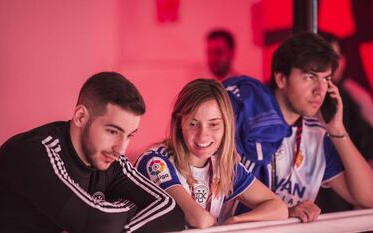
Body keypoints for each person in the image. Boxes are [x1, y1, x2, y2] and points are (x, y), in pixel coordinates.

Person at [0, 72, 185, 233]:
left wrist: (115, 224)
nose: (121, 148)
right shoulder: (35, 153)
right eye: (112, 131)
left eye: (129, 135)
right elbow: (95, 223)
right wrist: (128, 208)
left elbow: (170, 210)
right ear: (80, 117)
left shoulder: (111, 159)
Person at [223, 32, 373, 222]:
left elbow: (369, 197)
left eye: (326, 79)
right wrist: (286, 210)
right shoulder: (246, 114)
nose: (320, 90)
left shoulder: (316, 134)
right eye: (310, 77)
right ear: (281, 79)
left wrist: (337, 130)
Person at [135, 79, 288, 229]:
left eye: (213, 124)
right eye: (193, 124)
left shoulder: (225, 166)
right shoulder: (155, 161)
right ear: (179, 123)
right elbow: (198, 220)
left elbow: (279, 209)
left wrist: (236, 221)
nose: (203, 136)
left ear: (226, 125)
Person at [315, 31, 373, 213]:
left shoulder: (350, 97)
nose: (334, 65)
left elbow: (368, 149)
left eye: (337, 57)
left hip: (340, 202)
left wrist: (361, 197)